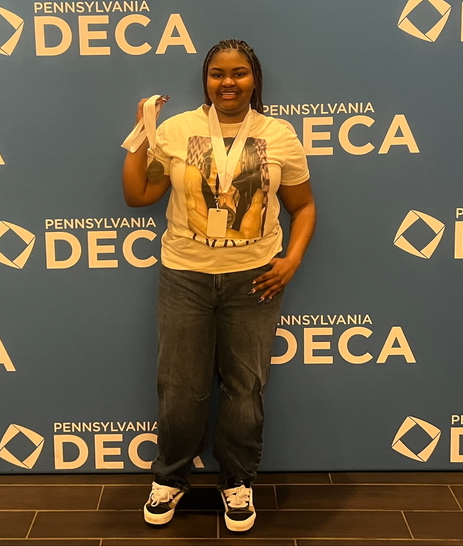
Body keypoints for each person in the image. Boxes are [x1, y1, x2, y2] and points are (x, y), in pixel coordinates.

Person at [122, 40, 317, 533]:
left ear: (255, 80)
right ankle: (170, 477)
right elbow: (138, 195)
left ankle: (237, 482)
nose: (228, 83)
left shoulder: (279, 135)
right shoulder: (178, 129)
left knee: (245, 388)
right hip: (185, 276)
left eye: (239, 73)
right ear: (205, 80)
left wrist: (291, 260)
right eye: (217, 74)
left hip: (254, 280)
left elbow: (304, 206)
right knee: (181, 388)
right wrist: (139, 132)